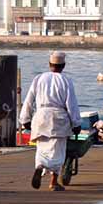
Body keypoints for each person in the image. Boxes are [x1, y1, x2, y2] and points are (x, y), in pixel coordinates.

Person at [19, 51, 81, 192]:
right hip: (58, 118)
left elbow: (29, 100)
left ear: (49, 64)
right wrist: (76, 123)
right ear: (63, 66)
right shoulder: (66, 81)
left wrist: (25, 119)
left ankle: (39, 166)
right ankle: (53, 182)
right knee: (58, 151)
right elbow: (71, 104)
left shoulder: (39, 78)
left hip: (40, 116)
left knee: (41, 147)